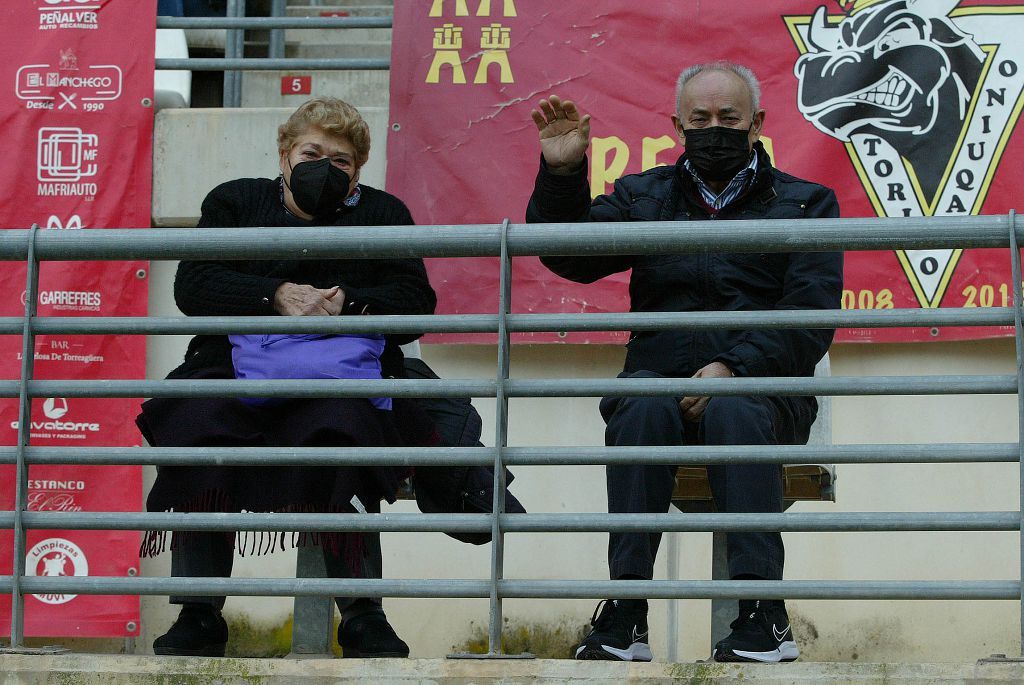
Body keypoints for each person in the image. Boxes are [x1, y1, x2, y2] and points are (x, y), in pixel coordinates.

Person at [526, 62, 843, 663]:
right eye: (701, 119)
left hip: (763, 395)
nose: (715, 129)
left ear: (758, 124)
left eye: (729, 118)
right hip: (659, 388)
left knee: (735, 410)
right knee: (641, 405)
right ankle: (625, 614)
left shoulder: (806, 203)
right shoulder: (642, 197)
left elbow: (810, 317)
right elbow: (567, 255)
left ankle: (760, 614)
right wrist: (563, 174)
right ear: (677, 125)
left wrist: (732, 369)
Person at [137, 97, 436, 658]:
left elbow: (417, 302)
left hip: (342, 371)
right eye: (312, 152)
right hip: (232, 363)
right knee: (200, 420)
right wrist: (272, 295)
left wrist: (348, 304)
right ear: (284, 154)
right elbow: (193, 287)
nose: (326, 166)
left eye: (342, 160)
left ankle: (362, 616)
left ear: (359, 171)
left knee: (346, 428)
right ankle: (198, 612)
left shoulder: (385, 213)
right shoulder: (236, 200)